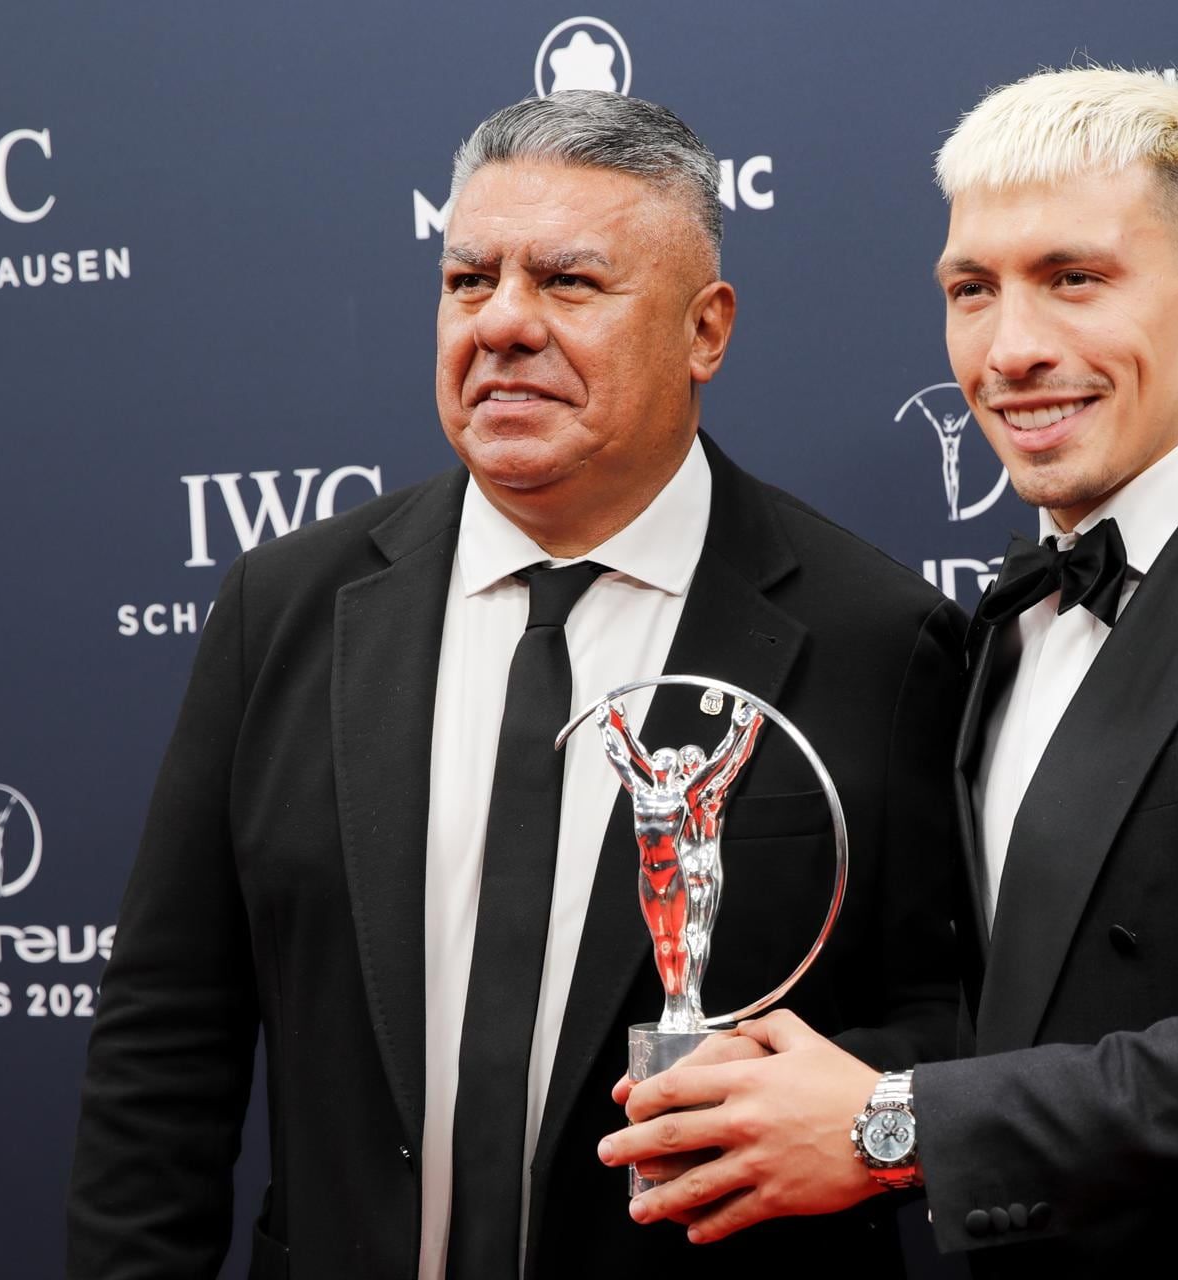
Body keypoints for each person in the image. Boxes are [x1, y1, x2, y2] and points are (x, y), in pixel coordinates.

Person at [604, 67, 1178, 1278]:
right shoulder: (1010, 611)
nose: (1012, 348)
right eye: (971, 291)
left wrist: (891, 1122)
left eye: (1075, 280)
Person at [65, 90, 967, 1280]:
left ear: (707, 331)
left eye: (570, 283)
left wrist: (856, 1116)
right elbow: (164, 1039)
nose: (501, 323)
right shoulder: (281, 610)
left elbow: (951, 1017)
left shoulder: (876, 635)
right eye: (468, 278)